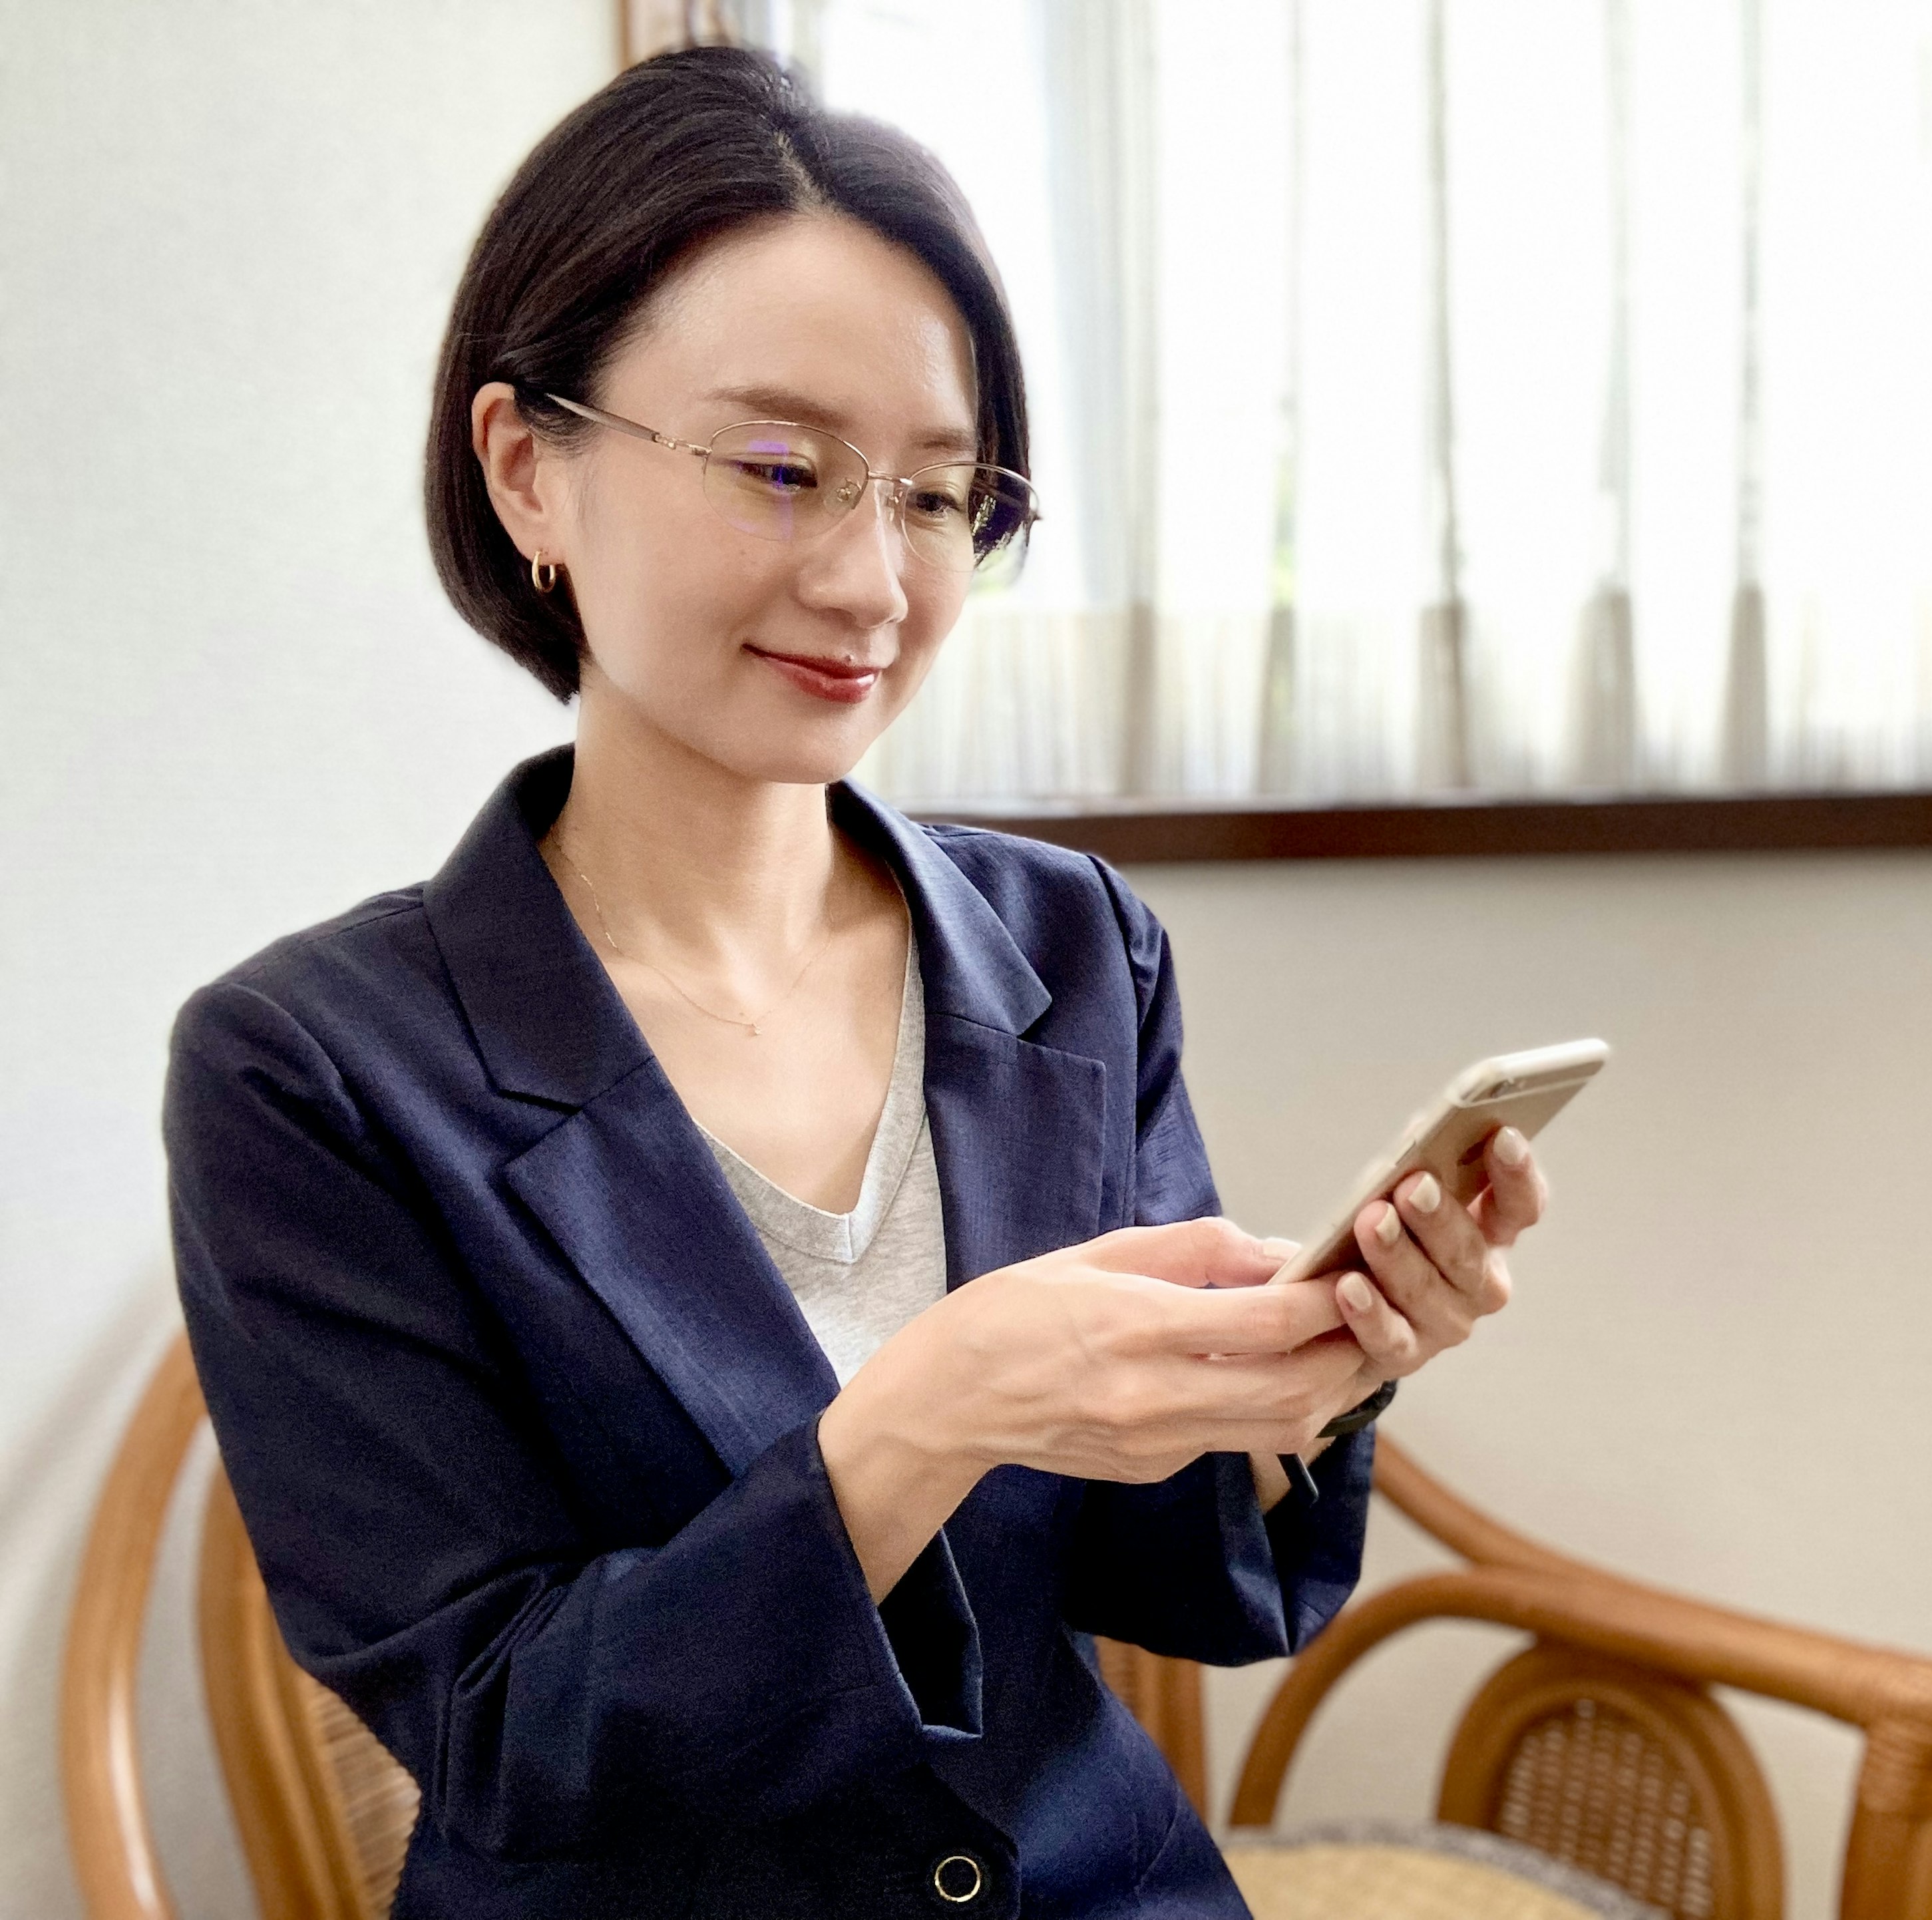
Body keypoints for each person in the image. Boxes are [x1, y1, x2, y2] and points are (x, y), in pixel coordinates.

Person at [164, 45, 1549, 1920]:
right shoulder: (309, 1071)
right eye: (781, 468)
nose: (873, 581)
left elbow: (1185, 1584)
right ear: (527, 472)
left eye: (934, 494)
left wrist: (1315, 1380)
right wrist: (929, 1409)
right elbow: (503, 1743)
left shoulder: (1074, 952)